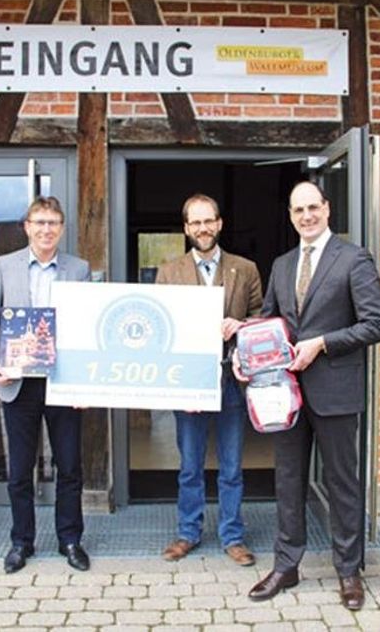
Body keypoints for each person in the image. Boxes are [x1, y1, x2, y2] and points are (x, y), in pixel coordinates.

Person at [236, 181, 380, 611]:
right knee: (287, 481)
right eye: (298, 210)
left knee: (342, 483)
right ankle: (287, 567)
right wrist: (243, 355)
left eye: (313, 207)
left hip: (336, 389)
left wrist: (322, 343)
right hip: (284, 393)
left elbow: (378, 324)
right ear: (290, 215)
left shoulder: (353, 259)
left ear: (327, 209)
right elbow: (268, 321)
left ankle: (348, 571)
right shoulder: (283, 264)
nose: (306, 216)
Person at [0, 195, 91, 573]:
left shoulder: (78, 268)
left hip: (63, 384)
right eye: (39, 222)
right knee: (20, 470)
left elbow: (86, 330)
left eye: (53, 223)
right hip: (17, 383)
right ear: (26, 227)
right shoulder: (4, 266)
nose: (45, 229)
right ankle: (21, 542)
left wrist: (89, 383)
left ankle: (70, 540)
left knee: (70, 467)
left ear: (61, 228)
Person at [155, 193, 263, 566]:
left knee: (232, 466)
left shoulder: (245, 268)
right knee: (190, 465)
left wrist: (243, 324)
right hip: (188, 382)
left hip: (231, 379)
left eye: (208, 221)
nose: (202, 228)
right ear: (186, 229)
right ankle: (188, 532)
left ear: (219, 223)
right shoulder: (168, 272)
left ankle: (233, 536)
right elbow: (161, 328)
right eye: (195, 222)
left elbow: (261, 317)